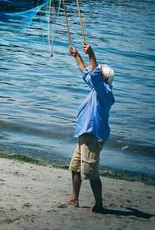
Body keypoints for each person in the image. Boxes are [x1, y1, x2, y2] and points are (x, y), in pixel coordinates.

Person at [60, 42, 115, 213]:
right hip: (84, 134)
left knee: (91, 172)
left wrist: (91, 54)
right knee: (75, 167)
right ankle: (74, 199)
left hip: (93, 136)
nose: (93, 74)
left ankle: (99, 205)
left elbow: (93, 74)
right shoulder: (95, 88)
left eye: (97, 73)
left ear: (103, 79)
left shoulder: (105, 93)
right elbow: (86, 72)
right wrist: (77, 55)